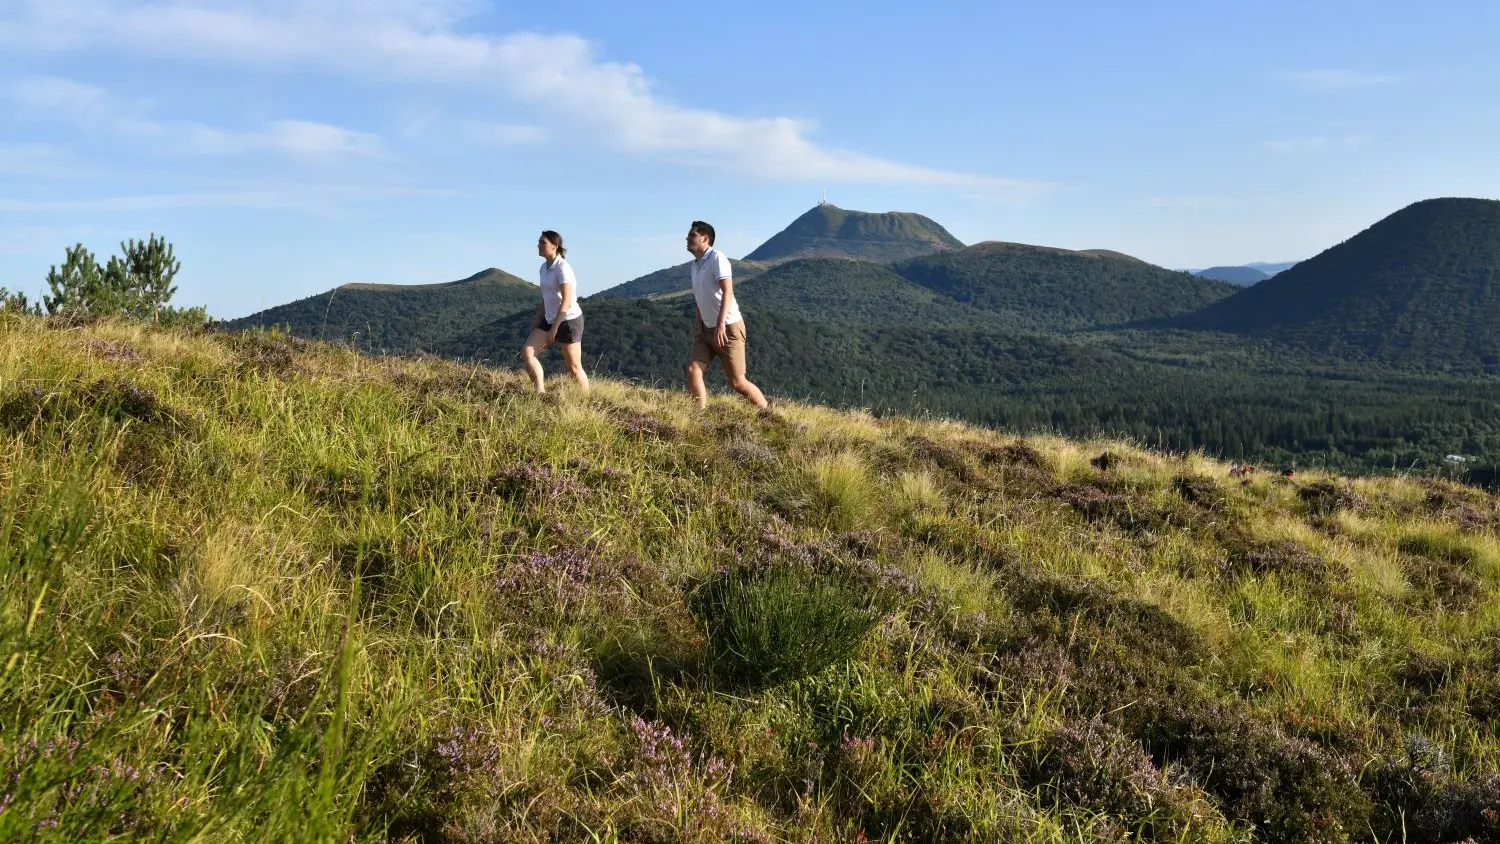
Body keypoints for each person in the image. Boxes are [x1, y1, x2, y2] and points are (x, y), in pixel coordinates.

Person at [683, 220, 769, 410]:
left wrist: (720, 324)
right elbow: (701, 296)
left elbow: (728, 291)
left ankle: (768, 414)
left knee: (737, 382)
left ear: (705, 238)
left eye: (692, 235)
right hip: (705, 329)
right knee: (693, 370)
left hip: (728, 327)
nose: (687, 239)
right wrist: (699, 324)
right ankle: (699, 416)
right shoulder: (694, 265)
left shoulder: (717, 258)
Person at [521, 230, 590, 394]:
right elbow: (547, 297)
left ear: (555, 246)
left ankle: (587, 400)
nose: (539, 245)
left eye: (543, 243)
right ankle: (540, 393)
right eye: (539, 242)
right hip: (549, 318)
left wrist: (554, 328)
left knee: (573, 367)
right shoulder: (543, 268)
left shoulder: (563, 268)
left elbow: (565, 301)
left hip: (568, 321)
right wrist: (537, 318)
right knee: (527, 353)